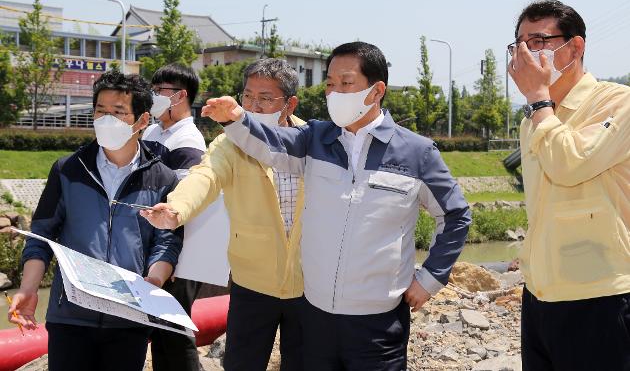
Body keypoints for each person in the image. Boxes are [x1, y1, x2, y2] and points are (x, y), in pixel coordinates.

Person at [166, 42, 472, 370]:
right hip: (312, 311)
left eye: (345, 83)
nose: (334, 92)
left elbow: (455, 215)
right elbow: (266, 147)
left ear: (377, 89)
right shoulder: (316, 139)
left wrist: (429, 279)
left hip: (377, 318)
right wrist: (237, 119)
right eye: (329, 84)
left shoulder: (416, 153)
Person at [7, 70, 182, 371]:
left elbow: (166, 243)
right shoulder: (68, 170)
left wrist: (151, 287)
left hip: (130, 319)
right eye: (100, 111)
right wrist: (29, 288)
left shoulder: (162, 179)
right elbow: (41, 236)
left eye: (117, 112)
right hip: (70, 317)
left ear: (141, 121)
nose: (106, 120)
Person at [141, 58, 306, 371]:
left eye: (265, 99)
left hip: (308, 281)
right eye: (248, 97)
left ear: (290, 103)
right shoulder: (229, 143)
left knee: (303, 362)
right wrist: (176, 209)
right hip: (252, 281)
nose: (254, 106)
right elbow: (205, 176)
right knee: (242, 362)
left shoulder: (311, 142)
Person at [508, 0, 630, 370]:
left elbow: (569, 165)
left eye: (540, 41)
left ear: (575, 47)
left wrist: (538, 100)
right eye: (520, 43)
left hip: (601, 295)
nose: (528, 53)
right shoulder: (533, 119)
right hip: (540, 295)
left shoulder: (616, 102)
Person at [142, 63, 207, 371]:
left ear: (181, 96)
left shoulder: (188, 140)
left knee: (175, 330)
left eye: (160, 92)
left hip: (178, 249)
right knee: (160, 329)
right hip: (156, 244)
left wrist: (175, 259)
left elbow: (183, 201)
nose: (153, 97)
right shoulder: (155, 129)